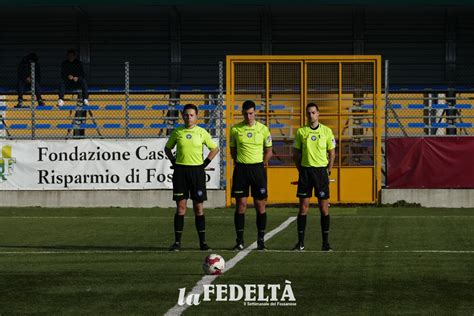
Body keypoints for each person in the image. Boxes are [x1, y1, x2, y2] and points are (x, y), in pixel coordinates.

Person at [165, 104, 219, 251]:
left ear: (196, 117)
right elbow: (167, 148)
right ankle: (177, 243)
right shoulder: (177, 132)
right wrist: (173, 162)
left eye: (191, 115)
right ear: (182, 116)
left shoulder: (202, 132)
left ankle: (202, 243)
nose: (188, 117)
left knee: (198, 207)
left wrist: (204, 163)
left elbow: (215, 148)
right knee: (181, 207)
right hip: (181, 172)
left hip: (197, 172)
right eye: (186, 115)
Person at [229, 100, 272, 251]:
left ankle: (261, 240)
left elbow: (269, 150)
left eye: (251, 113)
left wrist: (261, 164)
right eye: (246, 113)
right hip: (241, 170)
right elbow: (233, 150)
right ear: (242, 113)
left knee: (260, 206)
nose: (249, 116)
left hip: (257, 170)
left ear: (255, 113)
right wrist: (239, 162)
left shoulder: (263, 129)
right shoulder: (235, 129)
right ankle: (239, 241)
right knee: (241, 206)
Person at [293, 103, 336, 251]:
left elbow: (332, 153)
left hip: (321, 173)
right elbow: (296, 154)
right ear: (306, 115)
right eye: (308, 113)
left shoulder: (327, 131)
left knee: (324, 209)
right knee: (303, 208)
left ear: (318, 114)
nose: (311, 115)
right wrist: (301, 170)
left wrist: (328, 171)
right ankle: (300, 243)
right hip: (306, 172)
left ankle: (325, 243)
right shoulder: (301, 132)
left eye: (313, 113)